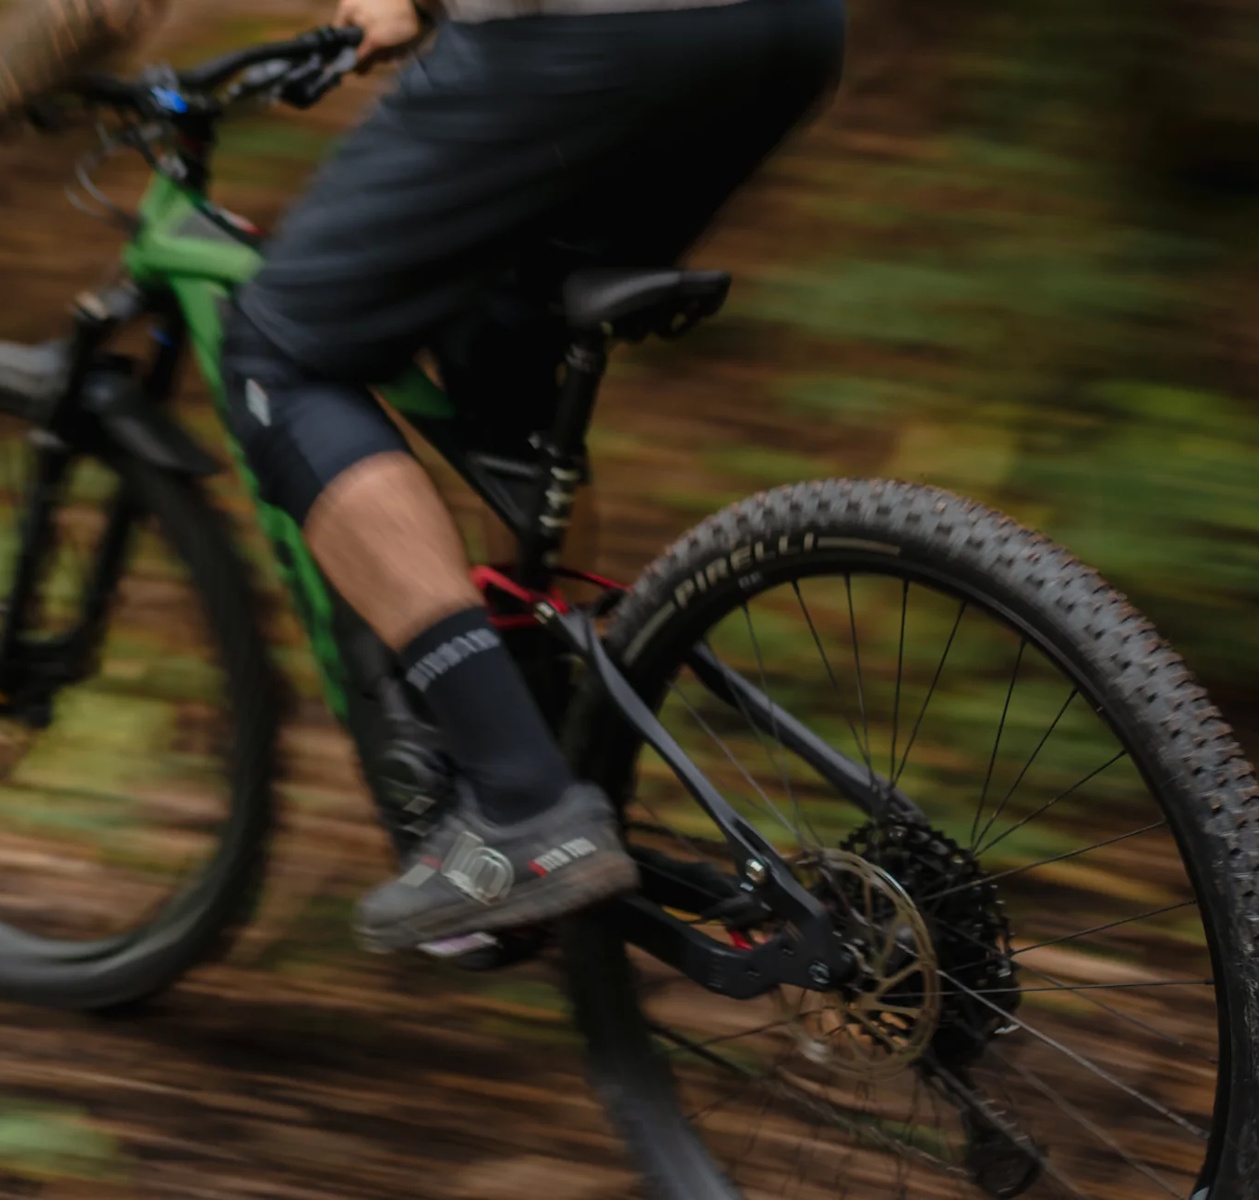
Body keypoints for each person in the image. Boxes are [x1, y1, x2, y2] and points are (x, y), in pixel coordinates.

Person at [0, 0, 846, 950]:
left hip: (591, 30)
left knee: (279, 361)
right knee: (499, 338)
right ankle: (559, 755)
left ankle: (523, 803)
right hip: (784, 30)